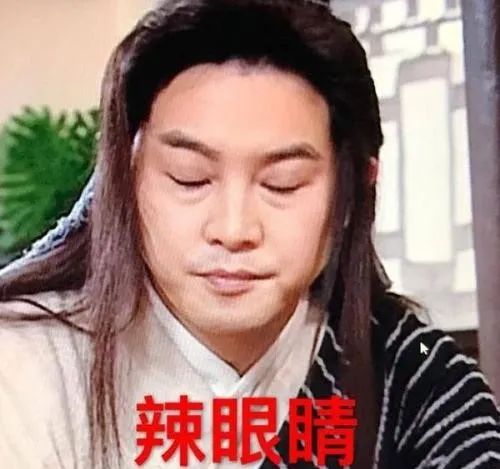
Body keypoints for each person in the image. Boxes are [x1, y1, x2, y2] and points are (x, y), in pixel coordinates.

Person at [0, 0, 499, 468]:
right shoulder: (25, 366)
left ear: (353, 191)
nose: (233, 229)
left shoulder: (413, 381)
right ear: (126, 178)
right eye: (190, 178)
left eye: (283, 183)